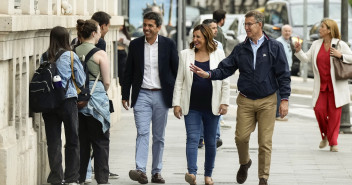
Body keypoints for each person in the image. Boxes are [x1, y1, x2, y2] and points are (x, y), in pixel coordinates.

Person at [190, 10, 291, 185]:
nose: (246, 27)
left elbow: (283, 74)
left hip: (268, 100)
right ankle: (245, 163)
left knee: (264, 142)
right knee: (241, 138)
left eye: (249, 24)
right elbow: (225, 68)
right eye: (245, 24)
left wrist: (284, 100)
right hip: (245, 100)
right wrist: (208, 74)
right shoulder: (240, 48)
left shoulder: (274, 47)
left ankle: (263, 178)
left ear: (260, 25)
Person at [121, 11, 178, 184]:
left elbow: (176, 71)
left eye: (150, 26)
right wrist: (125, 94)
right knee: (143, 132)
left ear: (158, 27)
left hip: (162, 95)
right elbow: (128, 71)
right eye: (144, 25)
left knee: (159, 136)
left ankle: (156, 172)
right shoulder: (136, 45)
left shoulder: (168, 44)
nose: (146, 28)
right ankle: (140, 170)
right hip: (142, 95)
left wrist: (178, 98)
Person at [173, 24, 230, 185]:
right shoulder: (185, 54)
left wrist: (225, 102)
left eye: (199, 36)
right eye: (194, 36)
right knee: (192, 138)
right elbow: (179, 81)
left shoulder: (219, 54)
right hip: (192, 106)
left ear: (206, 38)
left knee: (211, 141)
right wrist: (176, 103)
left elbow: (225, 80)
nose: (195, 40)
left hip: (212, 106)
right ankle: (192, 173)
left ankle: (208, 175)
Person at [294, 18, 352, 152]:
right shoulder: (316, 44)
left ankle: (333, 143)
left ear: (329, 30)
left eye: (322, 27)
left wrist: (340, 55)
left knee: (334, 116)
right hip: (321, 87)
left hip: (336, 87)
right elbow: (306, 59)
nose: (319, 29)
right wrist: (298, 51)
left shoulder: (340, 44)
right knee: (318, 111)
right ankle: (325, 136)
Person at [41, 26, 85, 185]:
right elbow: (81, 80)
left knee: (53, 141)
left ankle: (56, 177)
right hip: (67, 101)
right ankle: (72, 178)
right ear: (66, 39)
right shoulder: (71, 56)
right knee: (72, 139)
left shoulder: (44, 57)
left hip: (49, 103)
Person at [75, 19, 111, 184]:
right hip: (96, 102)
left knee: (82, 142)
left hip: (78, 101)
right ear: (94, 33)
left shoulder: (73, 51)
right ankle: (102, 179)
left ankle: (80, 177)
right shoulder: (100, 54)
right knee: (100, 142)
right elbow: (107, 81)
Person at [198, 19, 225, 149]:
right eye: (213, 28)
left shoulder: (219, 45)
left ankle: (215, 137)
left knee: (215, 111)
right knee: (202, 112)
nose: (216, 30)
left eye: (216, 28)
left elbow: (223, 66)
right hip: (201, 84)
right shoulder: (197, 43)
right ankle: (200, 137)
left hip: (215, 81)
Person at [276, 24, 293, 121]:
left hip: (287, 69)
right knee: (280, 92)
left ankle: (280, 113)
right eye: (285, 31)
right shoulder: (279, 42)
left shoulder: (288, 42)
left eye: (289, 31)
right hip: (281, 71)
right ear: (282, 32)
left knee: (283, 92)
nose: (287, 33)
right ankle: (278, 114)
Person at [118, 20, 131, 86]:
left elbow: (129, 43)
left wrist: (123, 40)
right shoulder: (115, 33)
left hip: (122, 53)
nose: (121, 27)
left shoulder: (124, 34)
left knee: (123, 70)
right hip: (116, 53)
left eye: (122, 26)